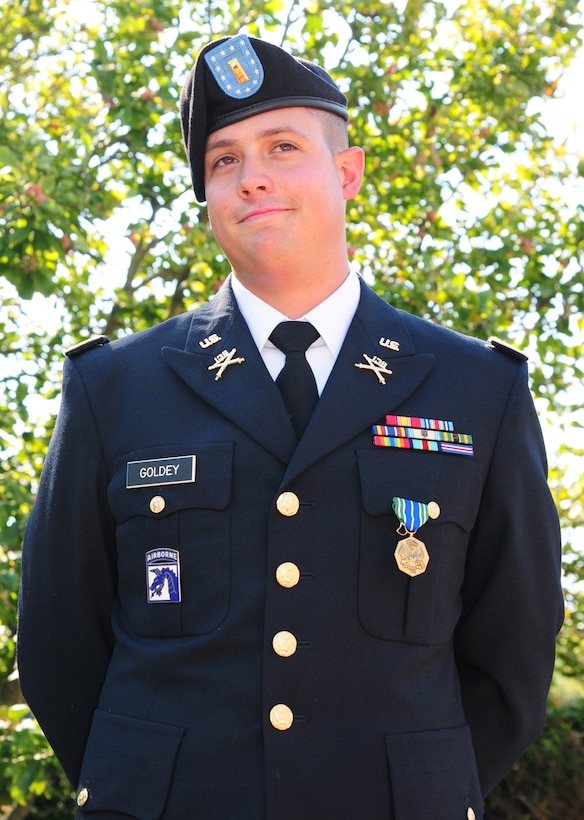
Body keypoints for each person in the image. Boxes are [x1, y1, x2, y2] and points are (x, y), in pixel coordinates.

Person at [18, 33, 564, 820]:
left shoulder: (478, 388)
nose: (253, 178)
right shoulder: (115, 387)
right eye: (224, 161)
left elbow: (513, 647)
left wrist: (425, 787)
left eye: (281, 146)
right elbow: (58, 643)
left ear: (348, 172)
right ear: (207, 194)